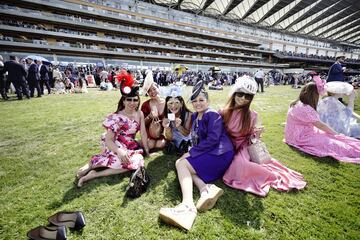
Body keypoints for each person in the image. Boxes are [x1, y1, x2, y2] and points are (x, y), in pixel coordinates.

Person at [159, 81, 234, 230]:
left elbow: (213, 140)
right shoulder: (194, 117)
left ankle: (187, 206)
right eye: (194, 101)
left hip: (220, 153)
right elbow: (193, 137)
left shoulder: (212, 114)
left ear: (208, 101)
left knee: (181, 163)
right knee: (180, 162)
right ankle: (205, 189)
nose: (198, 103)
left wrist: (191, 152)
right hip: (209, 152)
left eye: (201, 100)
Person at [221, 76, 306, 197]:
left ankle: (273, 176)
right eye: (240, 94)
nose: (243, 98)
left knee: (240, 165)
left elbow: (251, 137)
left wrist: (257, 134)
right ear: (234, 94)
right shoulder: (223, 112)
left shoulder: (252, 115)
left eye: (248, 96)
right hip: (228, 144)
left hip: (243, 146)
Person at [76, 81, 149, 187]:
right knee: (120, 161)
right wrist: (120, 151)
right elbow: (109, 139)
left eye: (135, 100)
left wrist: (147, 151)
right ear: (123, 101)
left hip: (129, 145)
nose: (132, 103)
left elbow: (143, 133)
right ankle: (91, 165)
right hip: (114, 143)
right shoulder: (116, 117)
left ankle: (94, 174)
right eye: (129, 99)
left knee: (136, 162)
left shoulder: (140, 113)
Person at [284, 82, 360, 164]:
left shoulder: (297, 104)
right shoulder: (305, 108)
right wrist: (335, 134)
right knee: (334, 143)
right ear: (314, 95)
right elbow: (320, 125)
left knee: (334, 138)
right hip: (300, 137)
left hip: (296, 134)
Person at [162, 85, 192, 155]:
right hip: (175, 137)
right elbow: (169, 137)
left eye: (176, 102)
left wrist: (179, 126)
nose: (173, 106)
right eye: (170, 103)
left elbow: (187, 133)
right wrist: (167, 128)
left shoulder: (189, 114)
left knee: (187, 140)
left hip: (187, 136)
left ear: (181, 104)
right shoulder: (167, 116)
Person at [141, 69, 166, 150]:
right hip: (150, 132)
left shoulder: (167, 102)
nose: (152, 92)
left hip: (163, 132)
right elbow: (141, 124)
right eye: (149, 91)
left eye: (154, 89)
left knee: (160, 144)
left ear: (158, 88)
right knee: (150, 145)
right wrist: (149, 117)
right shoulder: (145, 105)